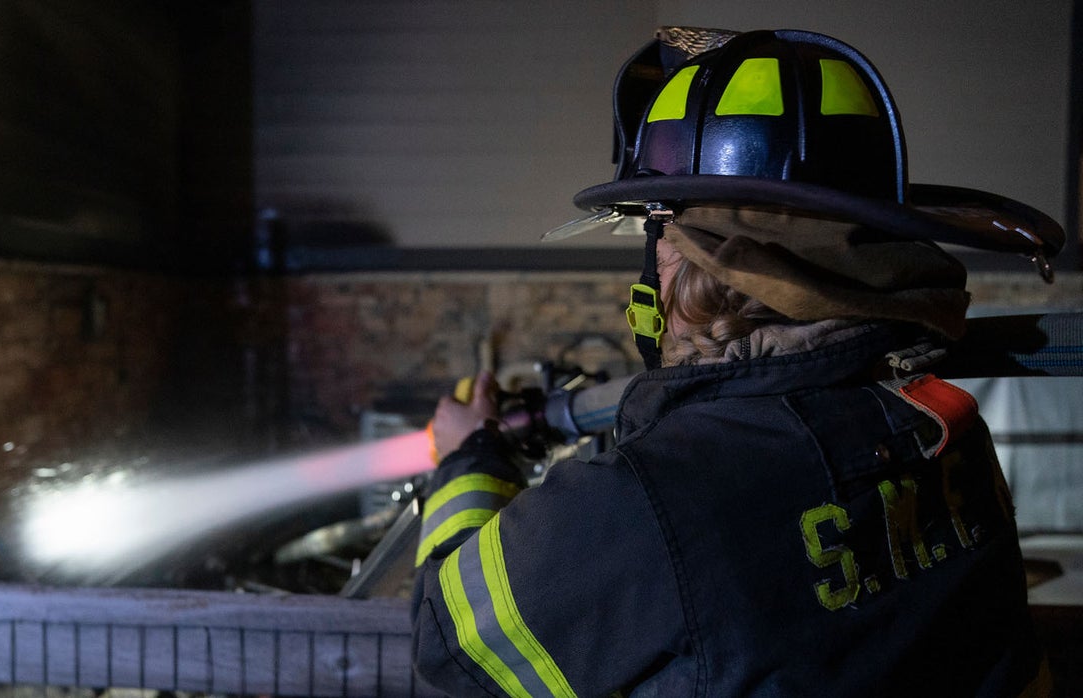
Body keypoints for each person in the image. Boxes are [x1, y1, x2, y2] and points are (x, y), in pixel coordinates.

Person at [409, 27, 1062, 697]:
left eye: (655, 234)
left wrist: (469, 461)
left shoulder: (646, 500)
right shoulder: (948, 431)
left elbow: (452, 647)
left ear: (693, 266)